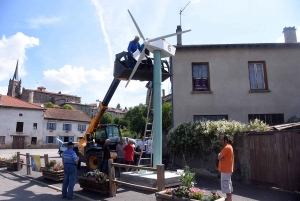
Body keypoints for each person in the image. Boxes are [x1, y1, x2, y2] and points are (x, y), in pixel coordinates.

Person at [218, 134, 234, 201]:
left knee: (226, 186)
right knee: (228, 186)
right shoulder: (229, 147)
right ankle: (229, 199)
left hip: (226, 171)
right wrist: (221, 157)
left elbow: (219, 157)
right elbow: (220, 157)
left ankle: (229, 200)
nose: (221, 141)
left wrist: (220, 156)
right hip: (227, 170)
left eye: (222, 140)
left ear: (226, 140)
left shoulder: (227, 147)